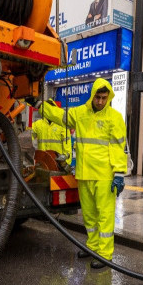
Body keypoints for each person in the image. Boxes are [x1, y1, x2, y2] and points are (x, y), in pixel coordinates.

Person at [41, 78, 127, 269]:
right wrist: (42, 106)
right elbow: (60, 116)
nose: (101, 101)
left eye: (104, 98)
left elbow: (118, 147)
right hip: (84, 173)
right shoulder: (80, 113)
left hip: (104, 175)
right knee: (89, 215)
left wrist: (119, 173)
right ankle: (92, 247)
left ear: (109, 97)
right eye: (98, 97)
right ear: (92, 95)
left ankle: (105, 255)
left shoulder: (114, 118)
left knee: (104, 216)